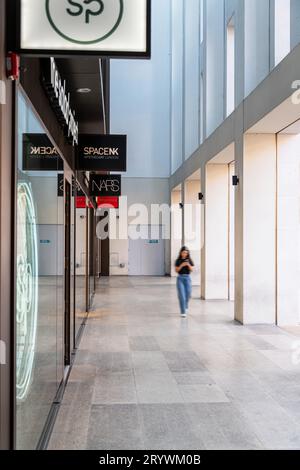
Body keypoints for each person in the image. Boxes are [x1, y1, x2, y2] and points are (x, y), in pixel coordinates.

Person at [175, 246, 194, 318]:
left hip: (187, 278)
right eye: (183, 252)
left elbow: (192, 270)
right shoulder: (178, 260)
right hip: (180, 278)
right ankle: (183, 312)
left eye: (186, 253)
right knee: (182, 295)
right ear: (181, 253)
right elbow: (176, 270)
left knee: (188, 294)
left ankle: (185, 305)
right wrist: (181, 265)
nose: (185, 254)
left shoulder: (189, 260)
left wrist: (188, 265)